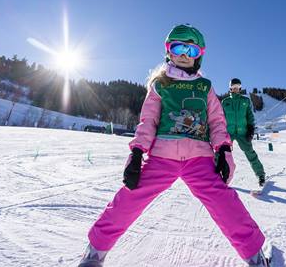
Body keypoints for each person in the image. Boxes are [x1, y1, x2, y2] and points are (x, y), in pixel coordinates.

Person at [78, 24, 269, 267]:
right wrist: (137, 153)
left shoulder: (205, 87)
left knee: (225, 202)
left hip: (199, 158)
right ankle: (95, 252)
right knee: (129, 198)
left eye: (191, 50)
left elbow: (217, 122)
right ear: (169, 51)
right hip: (162, 157)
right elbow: (148, 122)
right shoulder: (160, 85)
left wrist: (223, 150)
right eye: (178, 48)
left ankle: (255, 255)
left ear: (199, 55)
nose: (184, 55)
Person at [221, 78, 266, 188]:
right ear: (230, 88)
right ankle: (218, 176)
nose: (236, 89)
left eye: (238, 87)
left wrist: (250, 129)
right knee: (221, 154)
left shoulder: (245, 101)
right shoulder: (225, 102)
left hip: (243, 132)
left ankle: (260, 175)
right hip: (228, 133)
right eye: (234, 87)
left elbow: (249, 116)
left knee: (250, 153)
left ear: (240, 88)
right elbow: (221, 118)